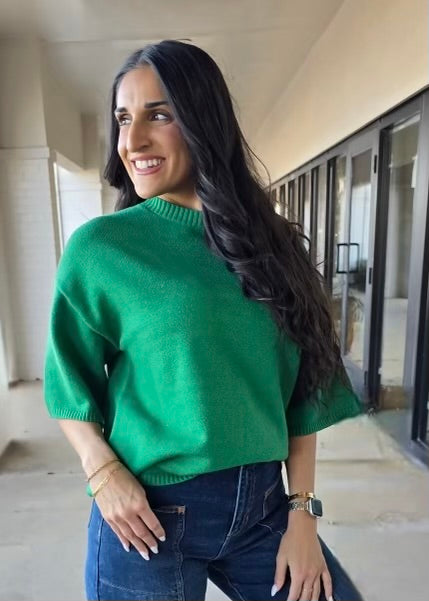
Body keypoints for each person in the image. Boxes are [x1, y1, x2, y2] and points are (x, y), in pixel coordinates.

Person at [43, 40, 365, 601]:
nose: (132, 142)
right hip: (147, 518)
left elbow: (303, 392)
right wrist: (103, 473)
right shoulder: (102, 249)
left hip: (264, 509)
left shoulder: (272, 245)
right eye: (124, 119)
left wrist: (303, 514)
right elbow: (67, 383)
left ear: (203, 122)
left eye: (158, 115)